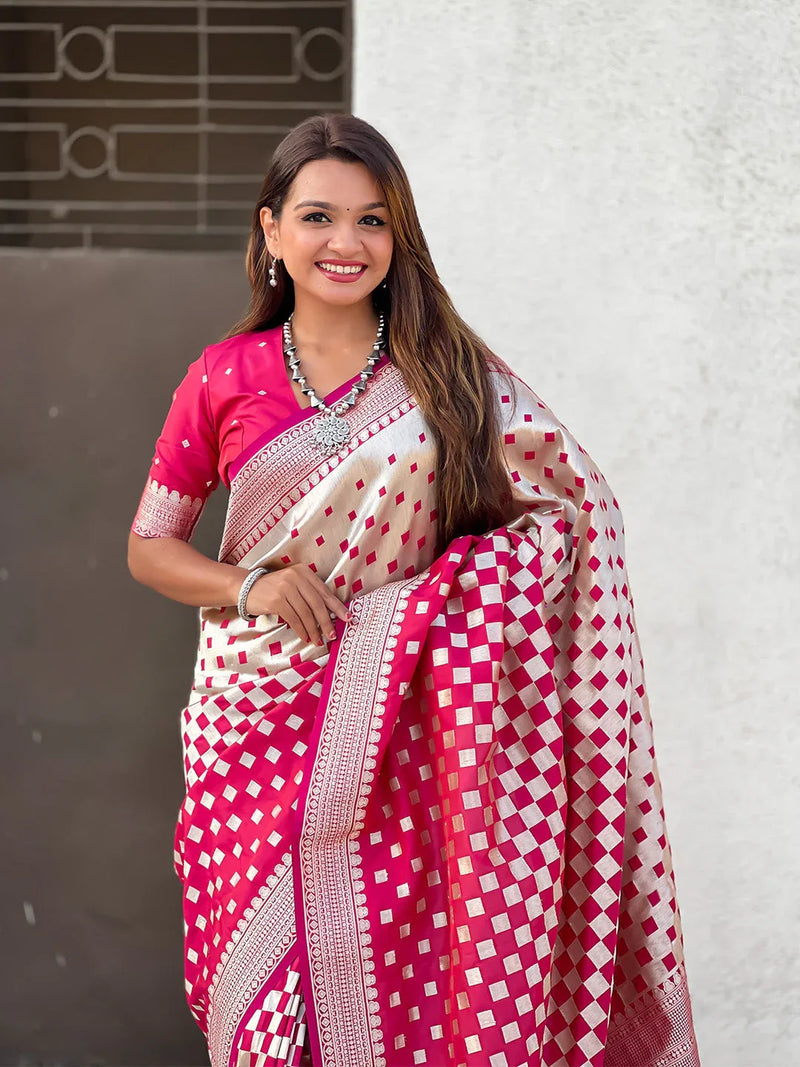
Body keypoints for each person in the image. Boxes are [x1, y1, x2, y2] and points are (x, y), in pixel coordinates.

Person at [128, 114, 701, 1067]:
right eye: (317, 217)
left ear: (400, 239)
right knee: (260, 997)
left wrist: (434, 608)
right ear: (270, 230)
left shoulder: (451, 377)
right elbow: (152, 546)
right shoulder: (223, 376)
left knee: (411, 983)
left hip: (413, 727)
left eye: (372, 221)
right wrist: (252, 584)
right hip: (252, 719)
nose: (345, 244)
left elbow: (574, 510)